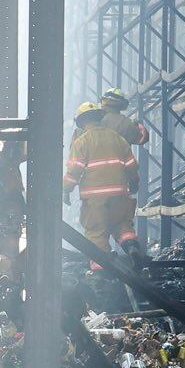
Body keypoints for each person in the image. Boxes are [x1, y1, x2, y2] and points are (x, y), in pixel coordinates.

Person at [64, 101, 143, 260]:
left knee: (96, 232)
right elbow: (131, 165)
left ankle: (100, 271)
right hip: (120, 194)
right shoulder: (117, 138)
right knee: (122, 225)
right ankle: (131, 246)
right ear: (99, 117)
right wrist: (134, 183)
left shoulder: (81, 142)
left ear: (81, 122)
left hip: (95, 199)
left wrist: (66, 190)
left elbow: (74, 171)